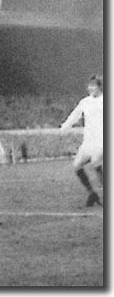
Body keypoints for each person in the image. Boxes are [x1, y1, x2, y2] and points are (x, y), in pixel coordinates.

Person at [60, 74, 103, 207]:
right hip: (89, 141)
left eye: (93, 85)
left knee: (96, 161)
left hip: (103, 139)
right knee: (77, 165)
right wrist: (65, 127)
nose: (90, 88)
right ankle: (92, 193)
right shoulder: (85, 102)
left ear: (100, 86)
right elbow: (75, 114)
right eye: (89, 85)